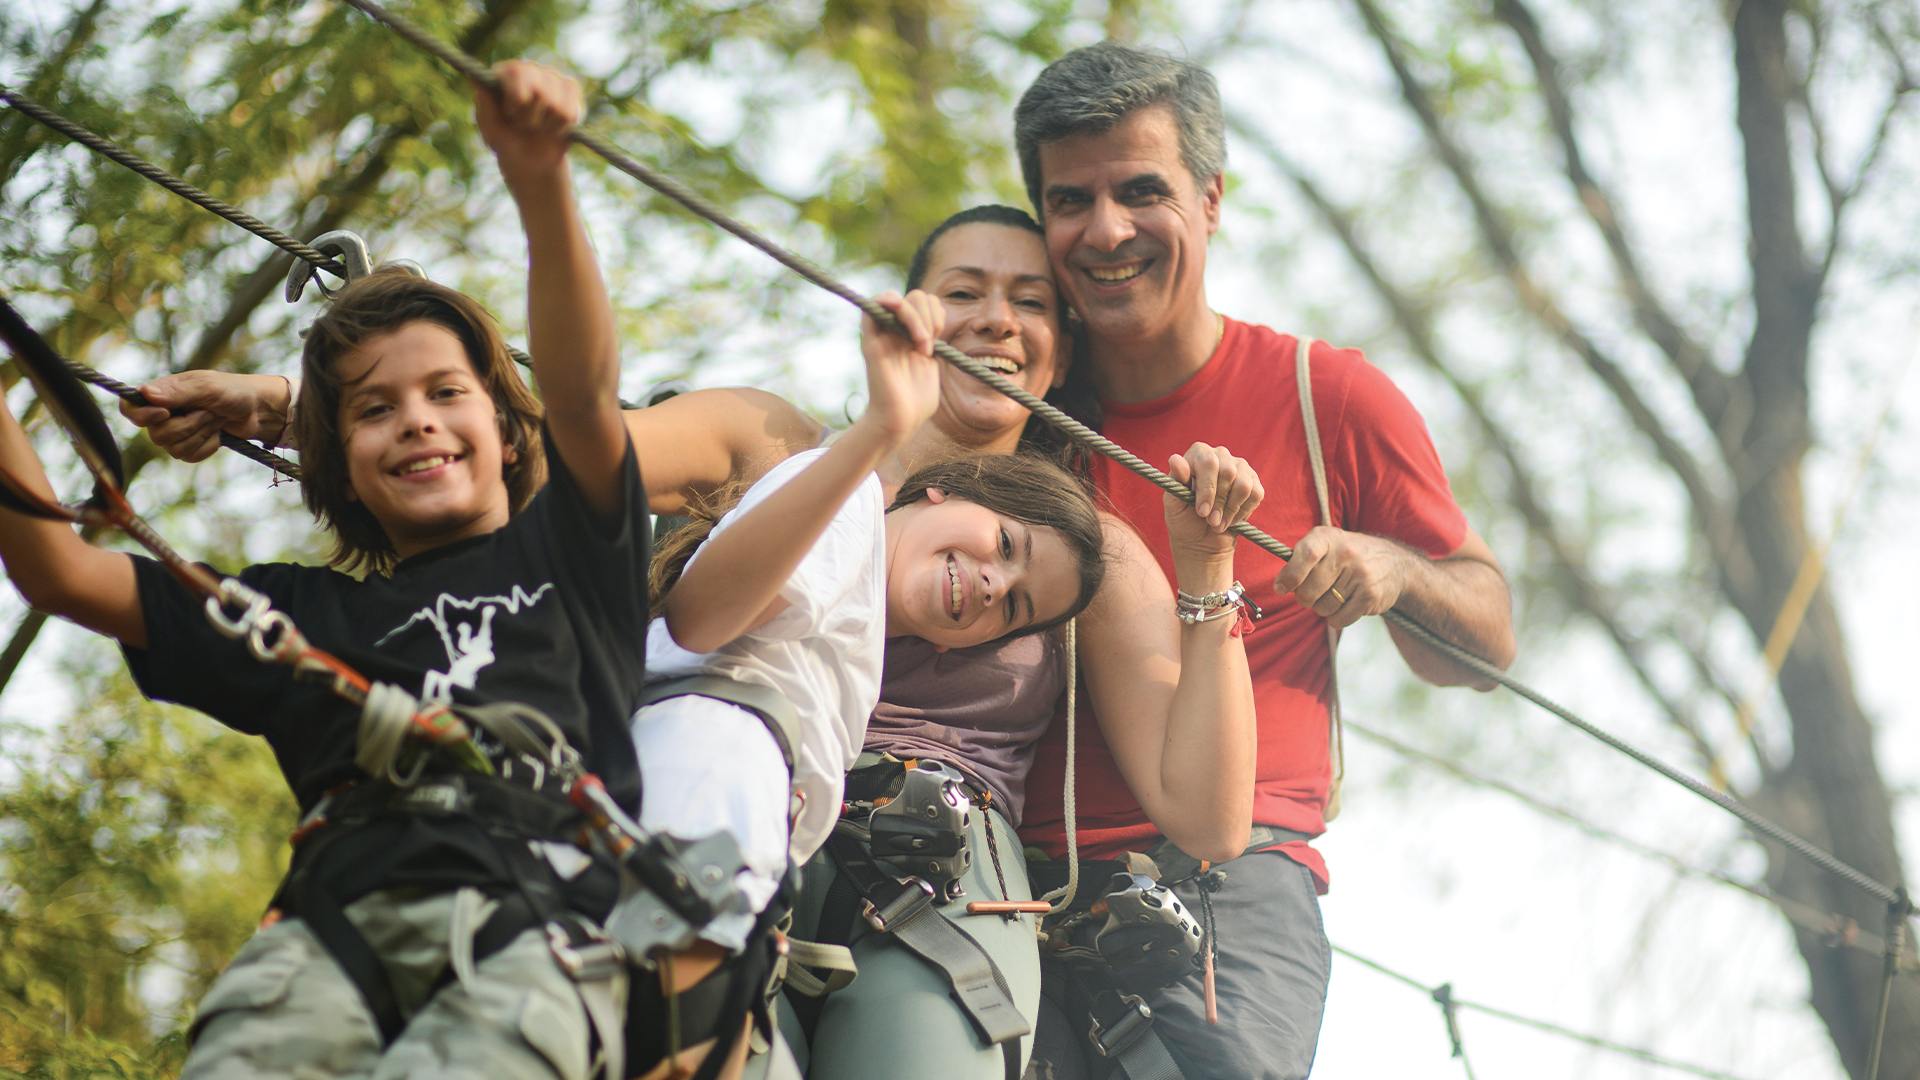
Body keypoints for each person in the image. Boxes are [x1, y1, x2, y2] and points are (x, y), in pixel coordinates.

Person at [0, 63, 652, 1078]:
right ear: (338, 461)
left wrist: (538, 180)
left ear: (508, 432)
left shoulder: (574, 549)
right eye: (375, 411)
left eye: (446, 393)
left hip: (537, 930)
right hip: (330, 932)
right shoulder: (295, 613)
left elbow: (582, 389)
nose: (418, 422)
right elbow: (61, 573)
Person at [1012, 42, 1520, 1079]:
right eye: (1071, 201)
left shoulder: (1324, 395)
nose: (1106, 232)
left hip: (1222, 891)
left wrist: (1398, 570)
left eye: (1140, 191)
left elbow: (1484, 642)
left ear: (1209, 198)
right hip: (1009, 887)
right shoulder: (1016, 413)